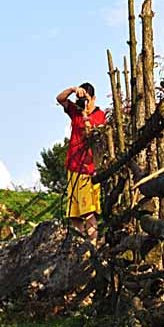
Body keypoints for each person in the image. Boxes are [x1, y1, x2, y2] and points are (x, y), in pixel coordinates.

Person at [56, 82, 106, 242]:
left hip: (88, 169)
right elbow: (59, 98)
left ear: (94, 98)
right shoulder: (75, 112)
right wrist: (72, 90)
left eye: (88, 99)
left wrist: (86, 116)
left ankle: (92, 245)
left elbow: (91, 134)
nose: (86, 102)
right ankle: (81, 245)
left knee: (88, 211)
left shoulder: (100, 115)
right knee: (74, 214)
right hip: (73, 167)